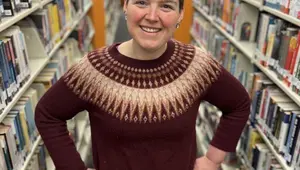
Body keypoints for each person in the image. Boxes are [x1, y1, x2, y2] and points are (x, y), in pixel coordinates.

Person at [34, 0, 251, 170]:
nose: (152, 16)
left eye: (166, 6)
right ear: (125, 6)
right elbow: (48, 114)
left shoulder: (197, 65)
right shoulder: (94, 70)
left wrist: (213, 159)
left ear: (180, 15)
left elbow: (238, 103)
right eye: (141, 2)